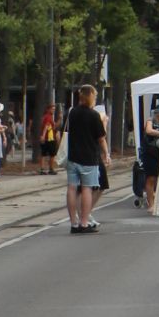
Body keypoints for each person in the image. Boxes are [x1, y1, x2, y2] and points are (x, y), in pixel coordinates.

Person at [62, 81, 108, 232]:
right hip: (89, 157)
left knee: (72, 188)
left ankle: (73, 223)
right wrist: (106, 154)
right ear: (91, 97)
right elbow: (101, 138)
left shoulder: (72, 113)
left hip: (73, 156)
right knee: (87, 189)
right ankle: (84, 222)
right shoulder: (94, 115)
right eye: (94, 95)